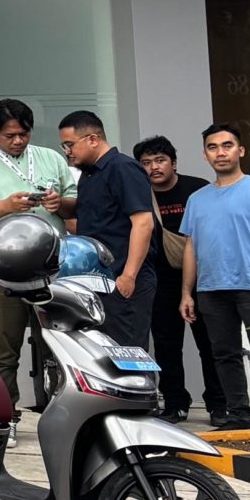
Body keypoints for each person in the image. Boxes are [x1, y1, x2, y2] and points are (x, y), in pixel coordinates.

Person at [0, 99, 75, 408]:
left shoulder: (51, 158)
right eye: (10, 135)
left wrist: (59, 204)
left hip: (51, 270)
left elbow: (75, 203)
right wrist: (6, 206)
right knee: (2, 352)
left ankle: (62, 413)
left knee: (59, 348)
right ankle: (2, 419)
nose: (18, 140)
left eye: (24, 133)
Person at [179, 123, 250, 431]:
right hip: (211, 290)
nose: (220, 152)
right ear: (205, 155)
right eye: (212, 147)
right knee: (224, 355)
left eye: (227, 145)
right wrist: (187, 292)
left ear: (240, 151)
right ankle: (239, 416)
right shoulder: (197, 199)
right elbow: (190, 247)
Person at [133, 136, 220, 422]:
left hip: (203, 276)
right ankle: (175, 402)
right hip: (159, 279)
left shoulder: (198, 189)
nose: (154, 167)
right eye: (146, 163)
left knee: (210, 343)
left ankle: (218, 404)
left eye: (160, 160)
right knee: (167, 345)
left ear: (174, 163)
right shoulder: (140, 195)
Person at [56, 111, 155, 350]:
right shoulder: (89, 174)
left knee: (129, 354)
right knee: (105, 354)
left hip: (124, 279)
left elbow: (143, 223)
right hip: (98, 281)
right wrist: (57, 204)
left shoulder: (123, 168)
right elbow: (90, 216)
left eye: (70, 145)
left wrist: (128, 276)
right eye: (64, 146)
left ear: (93, 139)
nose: (67, 152)